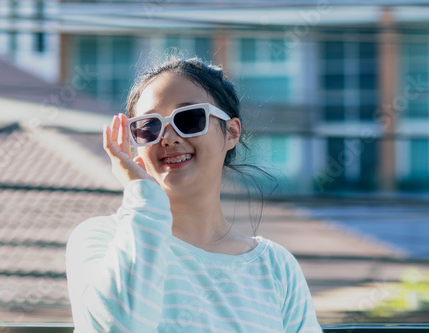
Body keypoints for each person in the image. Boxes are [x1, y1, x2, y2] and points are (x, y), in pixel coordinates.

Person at [66, 56, 322, 332]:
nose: (168, 137)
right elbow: (121, 326)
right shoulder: (100, 239)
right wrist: (142, 195)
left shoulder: (276, 267)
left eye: (188, 119)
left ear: (232, 132)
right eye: (149, 126)